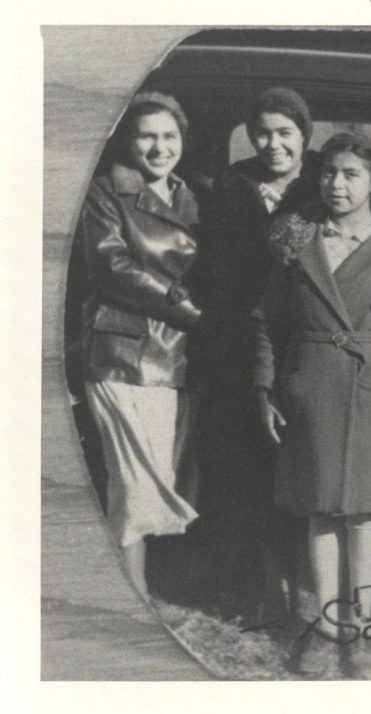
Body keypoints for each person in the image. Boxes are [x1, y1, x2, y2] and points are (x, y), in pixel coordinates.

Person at [252, 132, 371, 675]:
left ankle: (362, 626)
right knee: (323, 509)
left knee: (366, 516)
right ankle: (328, 628)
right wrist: (266, 388)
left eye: (352, 174)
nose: (337, 184)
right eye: (329, 172)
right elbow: (265, 322)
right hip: (311, 388)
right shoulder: (295, 240)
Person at [74, 91, 206, 600]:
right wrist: (187, 306)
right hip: (121, 356)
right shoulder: (106, 192)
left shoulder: (195, 197)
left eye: (169, 136)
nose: (159, 147)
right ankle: (135, 600)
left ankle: (136, 593)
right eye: (147, 135)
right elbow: (111, 267)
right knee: (132, 487)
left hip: (172, 359)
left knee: (149, 486)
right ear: (128, 139)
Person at [198, 86, 320, 620]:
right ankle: (261, 587)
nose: (274, 145)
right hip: (240, 348)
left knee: (302, 467)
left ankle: (308, 587)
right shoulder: (230, 188)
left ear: (303, 136)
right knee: (247, 469)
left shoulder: (324, 183)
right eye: (263, 133)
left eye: (285, 133)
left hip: (305, 347)